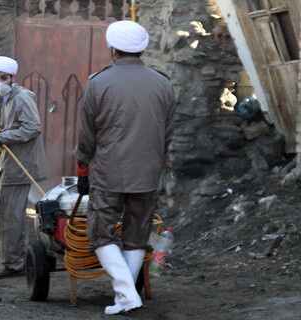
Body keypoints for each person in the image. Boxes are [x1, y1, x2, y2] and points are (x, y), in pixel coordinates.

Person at [72, 21, 176, 315]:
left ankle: (127, 295)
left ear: (113, 49)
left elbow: (87, 135)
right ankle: (126, 296)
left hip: (109, 172)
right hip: (148, 172)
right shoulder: (163, 83)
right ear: (142, 49)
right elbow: (168, 134)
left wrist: (83, 158)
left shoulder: (98, 83)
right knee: (136, 236)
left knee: (101, 234)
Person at [0, 56, 49, 279]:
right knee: (9, 215)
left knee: (10, 216)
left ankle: (15, 264)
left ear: (13, 77)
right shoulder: (9, 98)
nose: (0, 82)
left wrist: (5, 137)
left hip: (19, 166)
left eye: (4, 78)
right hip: (12, 165)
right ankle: (17, 260)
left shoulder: (21, 97)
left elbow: (33, 128)